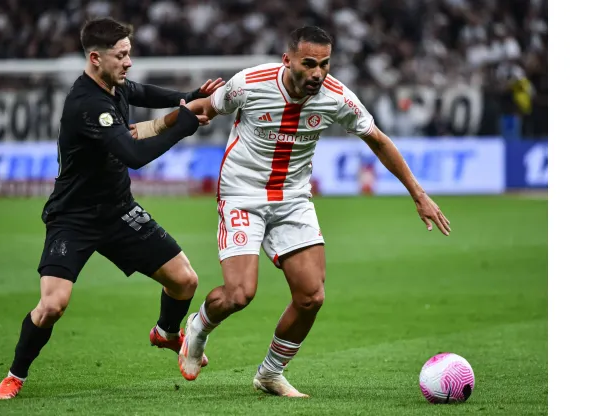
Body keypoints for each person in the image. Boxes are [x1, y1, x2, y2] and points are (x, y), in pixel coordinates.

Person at [168, 26, 451, 397]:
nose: (318, 73)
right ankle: (198, 329)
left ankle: (270, 373)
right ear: (288, 61)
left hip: (293, 199)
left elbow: (378, 141)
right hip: (242, 194)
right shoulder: (250, 83)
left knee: (311, 296)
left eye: (325, 64)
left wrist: (418, 193)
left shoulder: (337, 97)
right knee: (239, 295)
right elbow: (205, 108)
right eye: (309, 64)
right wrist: (150, 132)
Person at [0, 17, 224, 400]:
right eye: (121, 56)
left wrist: (189, 93)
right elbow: (132, 154)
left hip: (118, 211)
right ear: (96, 58)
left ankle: (165, 333)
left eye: (129, 53)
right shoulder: (87, 104)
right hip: (74, 218)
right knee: (52, 306)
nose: (128, 62)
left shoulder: (113, 86)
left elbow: (140, 90)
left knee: (185, 281)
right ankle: (14, 376)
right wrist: (182, 124)